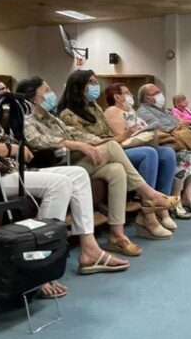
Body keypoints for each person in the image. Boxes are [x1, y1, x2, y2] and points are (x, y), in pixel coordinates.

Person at [0, 65, 131, 288]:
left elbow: (9, 140)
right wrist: (3, 148)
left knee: (78, 174)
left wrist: (8, 147)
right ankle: (39, 264)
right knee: (59, 184)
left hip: (4, 171)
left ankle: (89, 248)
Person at [16, 76, 178, 255]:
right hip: (53, 169)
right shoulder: (25, 119)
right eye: (46, 91)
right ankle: (150, 195)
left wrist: (97, 141)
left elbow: (75, 133)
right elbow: (39, 140)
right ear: (33, 97)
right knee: (113, 147)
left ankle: (117, 235)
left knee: (117, 170)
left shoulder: (51, 118)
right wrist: (80, 145)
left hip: (75, 164)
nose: (51, 94)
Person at [58, 71, 180, 234]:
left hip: (108, 151)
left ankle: (151, 212)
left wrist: (126, 135)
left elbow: (108, 135)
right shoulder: (68, 114)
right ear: (79, 86)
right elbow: (88, 141)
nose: (96, 86)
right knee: (147, 153)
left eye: (96, 81)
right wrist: (125, 135)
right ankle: (149, 207)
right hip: (87, 157)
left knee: (166, 153)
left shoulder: (95, 108)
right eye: (91, 82)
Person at [136, 84, 191, 214]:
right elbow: (164, 126)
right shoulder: (144, 111)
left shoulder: (162, 109)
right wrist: (179, 125)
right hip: (165, 143)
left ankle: (189, 195)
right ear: (148, 99)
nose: (161, 95)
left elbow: (177, 123)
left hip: (178, 140)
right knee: (190, 154)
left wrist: (179, 125)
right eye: (156, 93)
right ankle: (183, 197)